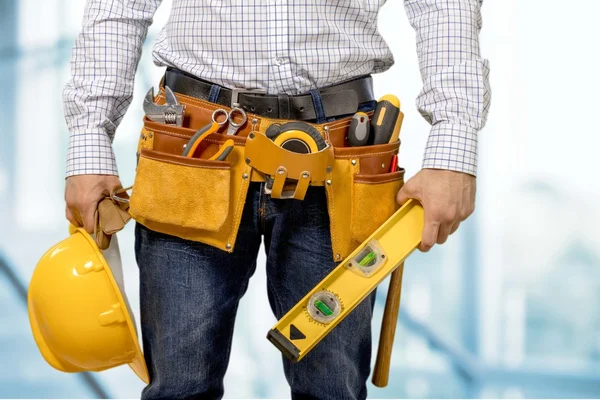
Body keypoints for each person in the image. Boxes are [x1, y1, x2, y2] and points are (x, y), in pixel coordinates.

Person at [63, 1, 490, 399]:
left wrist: (453, 143)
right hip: (195, 152)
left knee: (332, 390)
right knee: (179, 389)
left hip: (341, 157)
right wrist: (89, 137)